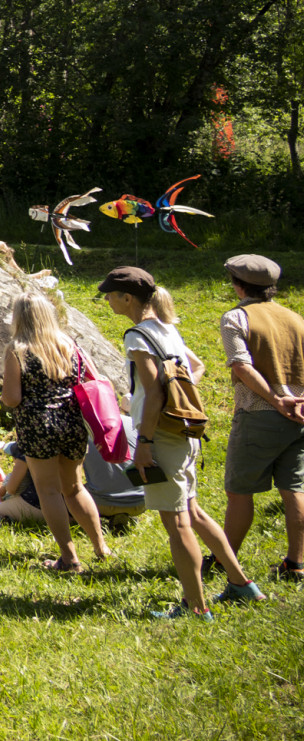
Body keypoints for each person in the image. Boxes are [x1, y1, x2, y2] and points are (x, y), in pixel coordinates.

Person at [103, 268, 264, 615]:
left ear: (128, 298)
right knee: (193, 512)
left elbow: (157, 393)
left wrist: (144, 442)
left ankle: (196, 607)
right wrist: (183, 397)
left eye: (111, 294)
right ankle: (242, 585)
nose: (107, 300)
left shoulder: (137, 336)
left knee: (176, 522)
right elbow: (195, 365)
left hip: (162, 436)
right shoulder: (167, 329)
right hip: (185, 433)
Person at [0, 290, 109, 573]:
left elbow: (12, 398)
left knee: (49, 491)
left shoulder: (18, 349)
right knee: (74, 487)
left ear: (18, 318)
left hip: (38, 426)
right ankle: (100, 546)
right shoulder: (69, 344)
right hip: (72, 422)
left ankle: (69, 558)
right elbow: (95, 379)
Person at [216, 254, 304, 582]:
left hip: (260, 414)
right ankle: (296, 564)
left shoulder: (237, 317)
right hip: (299, 416)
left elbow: (240, 364)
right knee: (294, 488)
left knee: (240, 492)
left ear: (238, 286)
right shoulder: (295, 318)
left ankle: (226, 560)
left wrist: (277, 399)